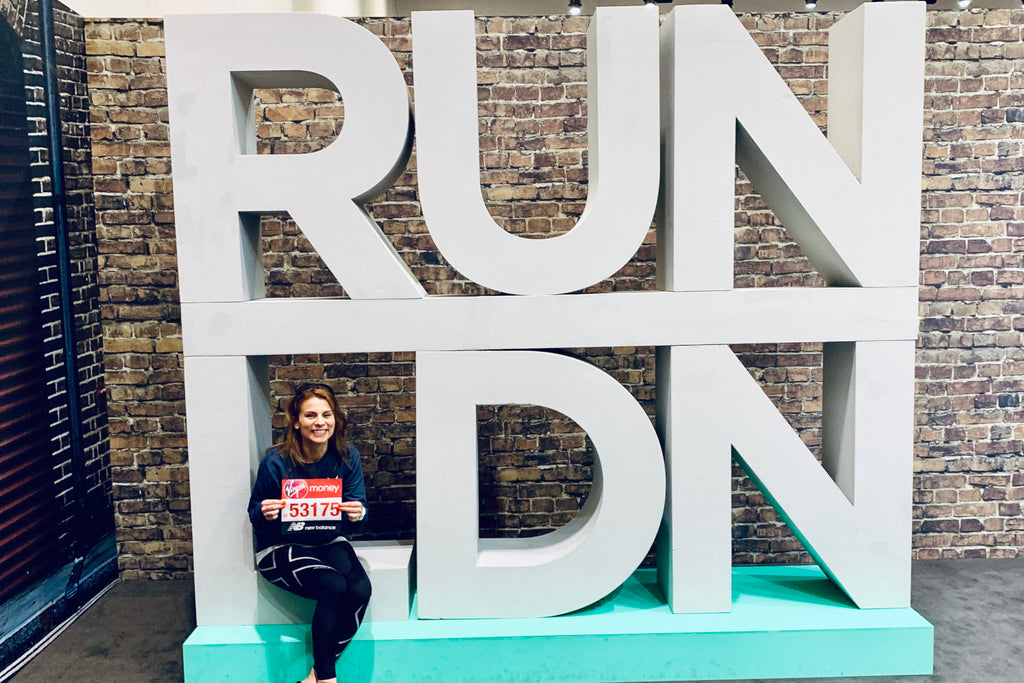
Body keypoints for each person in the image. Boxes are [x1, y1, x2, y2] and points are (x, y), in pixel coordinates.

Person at [247, 382, 371, 683]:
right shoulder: (276, 460)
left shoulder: (347, 456)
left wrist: (359, 514)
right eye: (311, 415)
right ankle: (328, 679)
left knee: (360, 589)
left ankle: (315, 675)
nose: (319, 422)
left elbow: (359, 514)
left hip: (327, 540)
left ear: (335, 419)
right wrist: (265, 512)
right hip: (279, 547)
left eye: (326, 415)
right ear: (296, 421)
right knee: (332, 586)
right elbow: (254, 513)